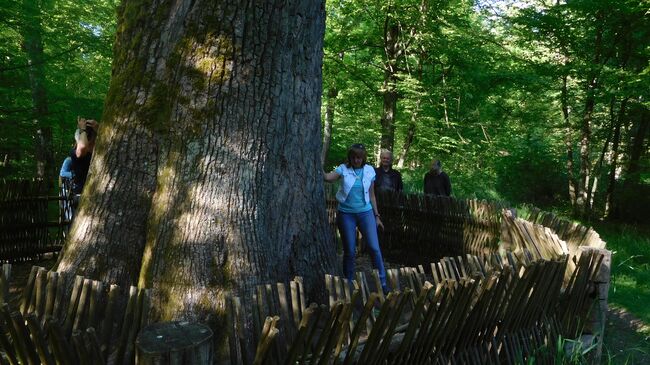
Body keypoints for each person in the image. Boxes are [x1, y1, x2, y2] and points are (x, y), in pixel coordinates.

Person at [324, 143, 389, 293]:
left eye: (359, 157)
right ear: (350, 157)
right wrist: (315, 164)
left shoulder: (369, 171)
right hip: (346, 214)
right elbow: (328, 178)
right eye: (353, 157)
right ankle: (349, 284)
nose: (356, 160)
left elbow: (372, 195)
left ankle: (383, 282)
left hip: (365, 213)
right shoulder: (343, 169)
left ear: (363, 158)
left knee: (374, 248)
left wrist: (377, 216)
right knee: (350, 251)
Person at [69, 117, 98, 195]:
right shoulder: (75, 152)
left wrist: (99, 129)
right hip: (81, 194)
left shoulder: (98, 151)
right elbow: (82, 148)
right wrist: (83, 130)